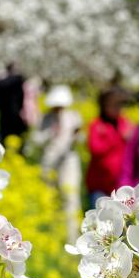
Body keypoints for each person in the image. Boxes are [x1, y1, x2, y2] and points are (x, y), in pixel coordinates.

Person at [34, 85, 83, 240]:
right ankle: (52, 236)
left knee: (70, 197)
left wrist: (76, 136)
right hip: (49, 162)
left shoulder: (74, 116)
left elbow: (81, 139)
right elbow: (36, 139)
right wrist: (49, 134)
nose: (58, 109)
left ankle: (72, 237)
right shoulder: (45, 118)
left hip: (68, 161)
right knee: (50, 198)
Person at [85, 87, 131, 208]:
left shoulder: (124, 123)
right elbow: (95, 149)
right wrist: (118, 137)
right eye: (113, 105)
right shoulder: (96, 125)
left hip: (120, 185)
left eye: (119, 105)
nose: (117, 109)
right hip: (99, 185)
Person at [0, 63, 28, 142]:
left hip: (5, 111)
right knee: (14, 133)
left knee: (4, 132)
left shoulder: (2, 81)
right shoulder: (19, 80)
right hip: (15, 111)